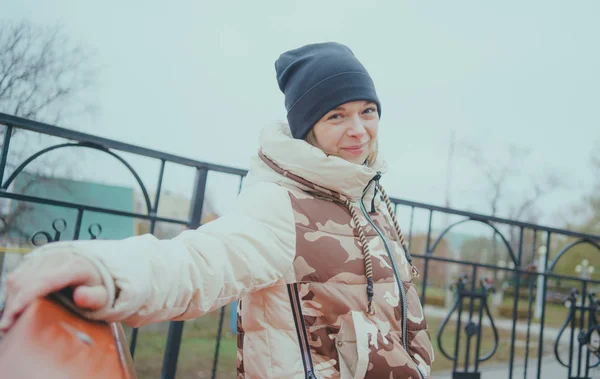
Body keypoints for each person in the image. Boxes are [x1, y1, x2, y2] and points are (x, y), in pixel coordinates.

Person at [0, 42, 434, 378]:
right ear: (309, 129)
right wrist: (102, 269)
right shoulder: (281, 204)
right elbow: (201, 261)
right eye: (336, 116)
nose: (359, 130)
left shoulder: (369, 197)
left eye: (368, 111)